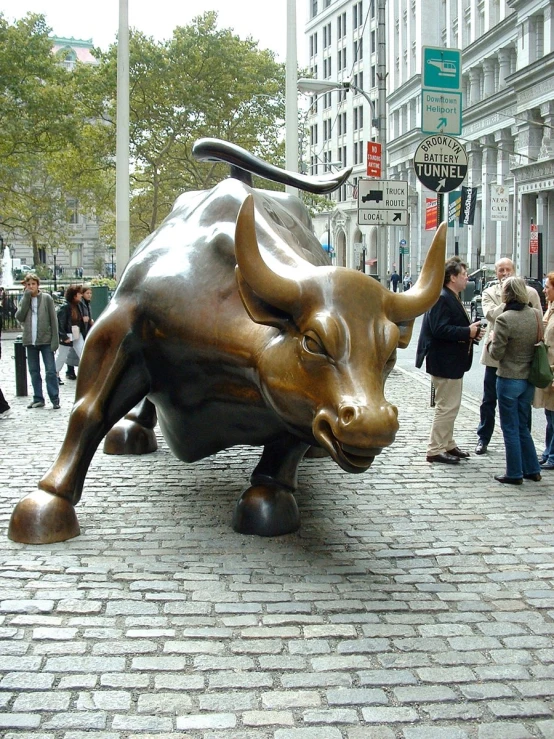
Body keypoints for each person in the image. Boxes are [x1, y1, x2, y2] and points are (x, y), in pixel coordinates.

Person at [416, 258, 484, 464]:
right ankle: (434, 448)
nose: (467, 278)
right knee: (446, 406)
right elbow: (439, 329)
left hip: (452, 362)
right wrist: (467, 331)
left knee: (452, 406)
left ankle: (447, 443)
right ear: (452, 278)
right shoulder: (443, 297)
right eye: (464, 274)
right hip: (444, 362)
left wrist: (471, 334)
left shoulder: (451, 296)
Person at [475, 258, 542, 455]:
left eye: (508, 270)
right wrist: (509, 300)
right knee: (489, 400)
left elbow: (537, 319)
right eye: (501, 270)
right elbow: (490, 315)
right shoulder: (489, 293)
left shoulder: (530, 293)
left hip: (521, 357)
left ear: (514, 270)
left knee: (523, 404)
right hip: (495, 356)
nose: (504, 273)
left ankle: (524, 440)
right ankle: (483, 437)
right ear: (496, 273)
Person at [487, 276, 542, 485]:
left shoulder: (504, 319)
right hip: (528, 378)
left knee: (509, 427)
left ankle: (514, 472)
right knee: (522, 427)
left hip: (509, 378)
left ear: (507, 294)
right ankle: (532, 469)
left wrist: (490, 342)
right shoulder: (536, 315)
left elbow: (496, 354)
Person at [15, 273, 60, 409]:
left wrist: (55, 340)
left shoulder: (46, 298)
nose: (31, 286)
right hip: (30, 340)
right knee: (34, 371)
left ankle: (54, 398)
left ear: (37, 285)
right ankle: (38, 398)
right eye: (28, 284)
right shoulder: (24, 299)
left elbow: (53, 319)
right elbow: (20, 317)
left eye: (33, 284)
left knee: (50, 371)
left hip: (45, 340)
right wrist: (26, 299)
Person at [533, 272, 554, 470]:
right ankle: (548, 452)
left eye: (548, 286)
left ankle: (553, 455)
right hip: (547, 369)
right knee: (550, 414)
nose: (544, 290)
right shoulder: (550, 309)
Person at [55, 285, 85, 378]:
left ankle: (88, 374)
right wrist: (63, 336)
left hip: (77, 332)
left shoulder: (79, 305)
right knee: (62, 356)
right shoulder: (65, 307)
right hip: (68, 333)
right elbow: (61, 323)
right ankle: (55, 374)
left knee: (83, 352)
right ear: (74, 295)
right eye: (79, 293)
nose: (81, 295)